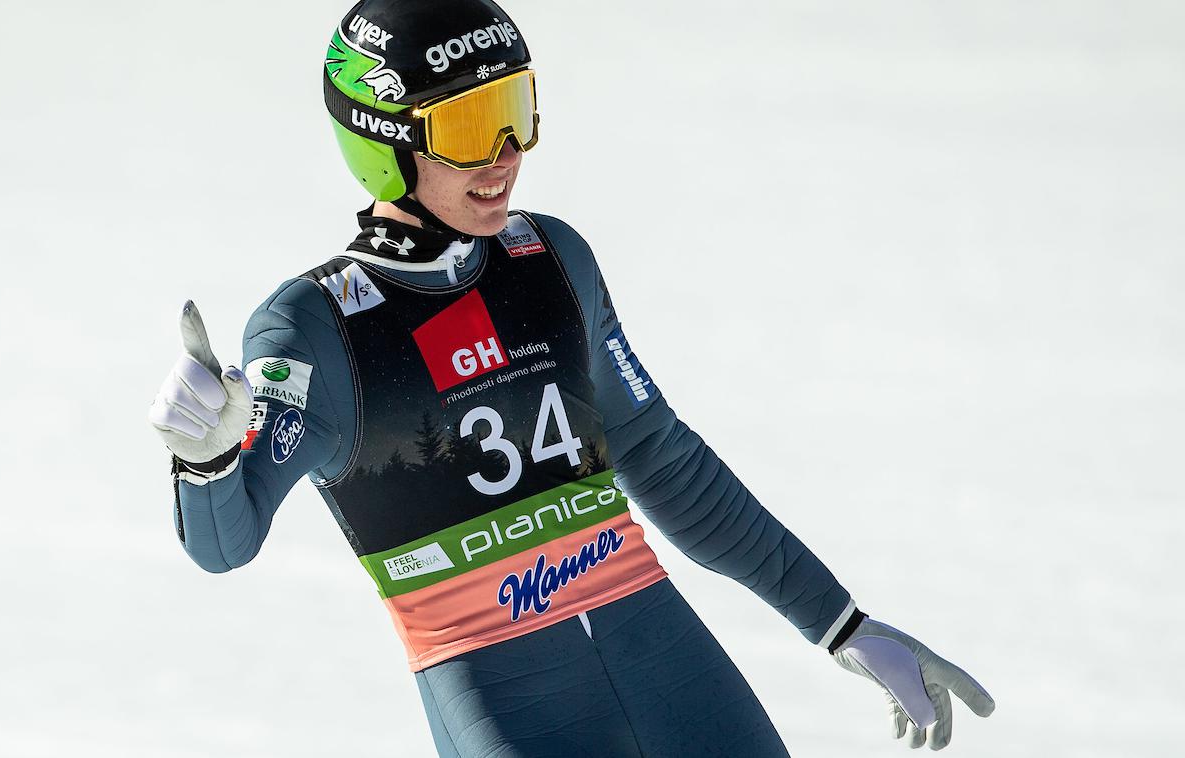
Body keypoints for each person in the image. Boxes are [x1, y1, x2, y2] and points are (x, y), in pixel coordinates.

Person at [149, 1, 995, 754]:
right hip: (507, 702)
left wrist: (840, 621)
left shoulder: (550, 259)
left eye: (515, 111)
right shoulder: (316, 325)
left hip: (669, 666)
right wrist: (208, 458)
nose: (506, 154)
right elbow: (224, 545)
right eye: (471, 126)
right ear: (386, 143)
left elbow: (664, 461)